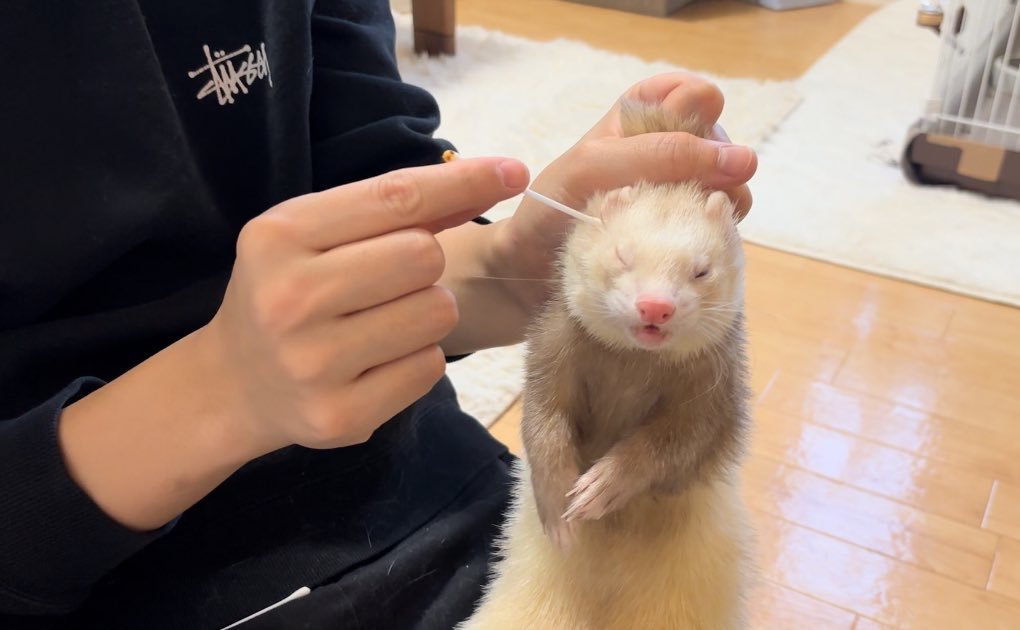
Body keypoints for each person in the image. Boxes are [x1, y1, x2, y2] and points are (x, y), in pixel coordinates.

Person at [0, 1, 757, 628]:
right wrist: (218, 394)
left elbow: (372, 168)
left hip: (427, 492)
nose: (658, 300)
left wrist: (511, 266)